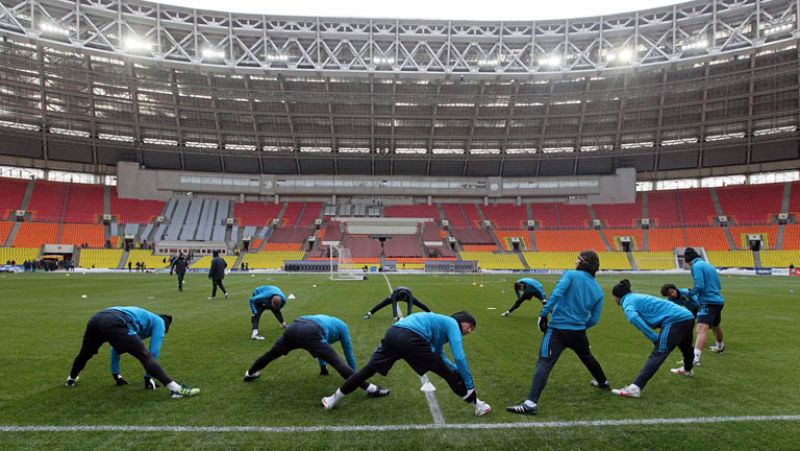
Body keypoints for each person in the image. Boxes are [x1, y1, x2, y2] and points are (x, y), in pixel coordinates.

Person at [321, 311, 491, 417]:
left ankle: (332, 399)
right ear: (462, 320)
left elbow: (440, 355)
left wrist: (453, 369)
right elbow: (459, 357)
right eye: (470, 326)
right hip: (411, 338)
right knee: (449, 374)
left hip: (393, 333)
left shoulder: (439, 325)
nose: (470, 331)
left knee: (366, 371)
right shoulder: (452, 323)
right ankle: (479, 405)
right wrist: (468, 384)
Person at [507, 250, 609, 415]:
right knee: (587, 357)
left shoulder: (570, 275)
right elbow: (595, 319)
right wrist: (579, 325)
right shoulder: (598, 290)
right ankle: (603, 382)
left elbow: (556, 294)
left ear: (583, 262)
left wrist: (543, 313)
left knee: (544, 362)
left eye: (578, 259)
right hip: (579, 332)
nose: (575, 262)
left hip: (558, 330)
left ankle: (530, 404)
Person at [65, 306, 200, 399]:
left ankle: (71, 379)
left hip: (97, 318)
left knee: (85, 354)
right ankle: (176, 390)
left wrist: (116, 374)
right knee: (144, 355)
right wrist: (148, 378)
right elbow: (152, 353)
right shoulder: (159, 322)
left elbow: (116, 348)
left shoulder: (144, 320)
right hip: (116, 319)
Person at [243, 314, 390, 398]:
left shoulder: (328, 321)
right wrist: (357, 376)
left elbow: (320, 348)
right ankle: (372, 389)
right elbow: (348, 353)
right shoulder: (343, 327)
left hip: (293, 327)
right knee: (338, 362)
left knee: (271, 354)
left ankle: (250, 373)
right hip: (310, 331)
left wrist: (323, 368)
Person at [608, 280, 696, 398]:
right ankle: (688, 369)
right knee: (685, 347)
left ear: (618, 296)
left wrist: (653, 336)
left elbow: (634, 318)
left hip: (675, 320)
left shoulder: (627, 302)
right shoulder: (634, 297)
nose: (614, 300)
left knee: (659, 353)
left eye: (614, 297)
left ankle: (635, 388)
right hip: (687, 316)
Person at [683, 247, 725, 366]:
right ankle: (720, 346)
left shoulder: (696, 267)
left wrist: (689, 294)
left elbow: (699, 286)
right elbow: (718, 284)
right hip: (718, 300)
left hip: (708, 301)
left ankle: (694, 359)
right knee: (716, 325)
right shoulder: (708, 265)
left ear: (688, 261)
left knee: (701, 329)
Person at [363, 286, 431, 320]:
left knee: (420, 304)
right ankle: (369, 313)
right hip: (396, 295)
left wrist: (409, 316)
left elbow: (410, 306)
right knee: (382, 304)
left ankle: (430, 312)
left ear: (405, 297)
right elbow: (394, 305)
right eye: (401, 299)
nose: (402, 300)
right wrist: (395, 316)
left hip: (407, 295)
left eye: (403, 299)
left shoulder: (409, 295)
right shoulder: (394, 295)